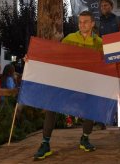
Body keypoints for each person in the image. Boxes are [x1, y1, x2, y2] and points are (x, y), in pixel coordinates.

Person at [34, 10, 102, 160]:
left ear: (92, 24)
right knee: (52, 106)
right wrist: (32, 57)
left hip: (88, 83)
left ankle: (85, 138)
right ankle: (45, 144)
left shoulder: (99, 43)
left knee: (91, 108)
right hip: (68, 82)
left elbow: (107, 63)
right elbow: (55, 56)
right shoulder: (70, 38)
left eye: (85, 22)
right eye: (80, 22)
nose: (82, 24)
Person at [98, 0, 120, 130]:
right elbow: (97, 42)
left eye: (106, 5)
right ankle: (105, 119)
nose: (104, 7)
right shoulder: (98, 22)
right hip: (105, 61)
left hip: (119, 60)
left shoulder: (119, 20)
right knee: (105, 91)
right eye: (102, 6)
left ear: (111, 6)